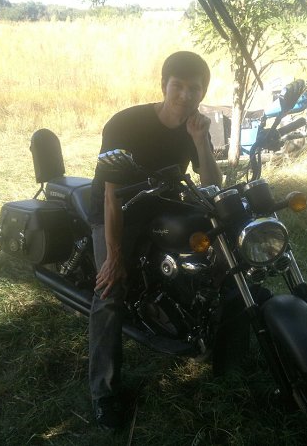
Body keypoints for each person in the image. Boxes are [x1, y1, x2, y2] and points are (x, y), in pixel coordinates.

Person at [87, 51, 222, 431]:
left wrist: (200, 142)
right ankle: (103, 392)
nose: (185, 95)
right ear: (164, 85)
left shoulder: (195, 126)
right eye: (178, 85)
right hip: (115, 210)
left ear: (203, 92)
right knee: (110, 290)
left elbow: (212, 185)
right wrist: (115, 256)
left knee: (209, 256)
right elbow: (111, 197)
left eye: (194, 88)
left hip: (161, 206)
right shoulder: (125, 124)